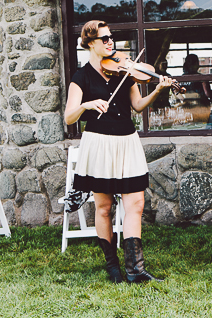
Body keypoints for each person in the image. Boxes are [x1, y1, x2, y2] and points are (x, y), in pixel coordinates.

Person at [64, 20, 175, 284]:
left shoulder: (125, 71)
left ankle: (135, 269)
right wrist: (88, 105)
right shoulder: (81, 77)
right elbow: (69, 117)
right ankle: (112, 266)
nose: (110, 42)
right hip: (99, 143)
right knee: (103, 207)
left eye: (111, 37)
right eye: (104, 39)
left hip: (127, 141)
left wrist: (158, 88)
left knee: (135, 204)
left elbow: (137, 105)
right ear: (90, 43)